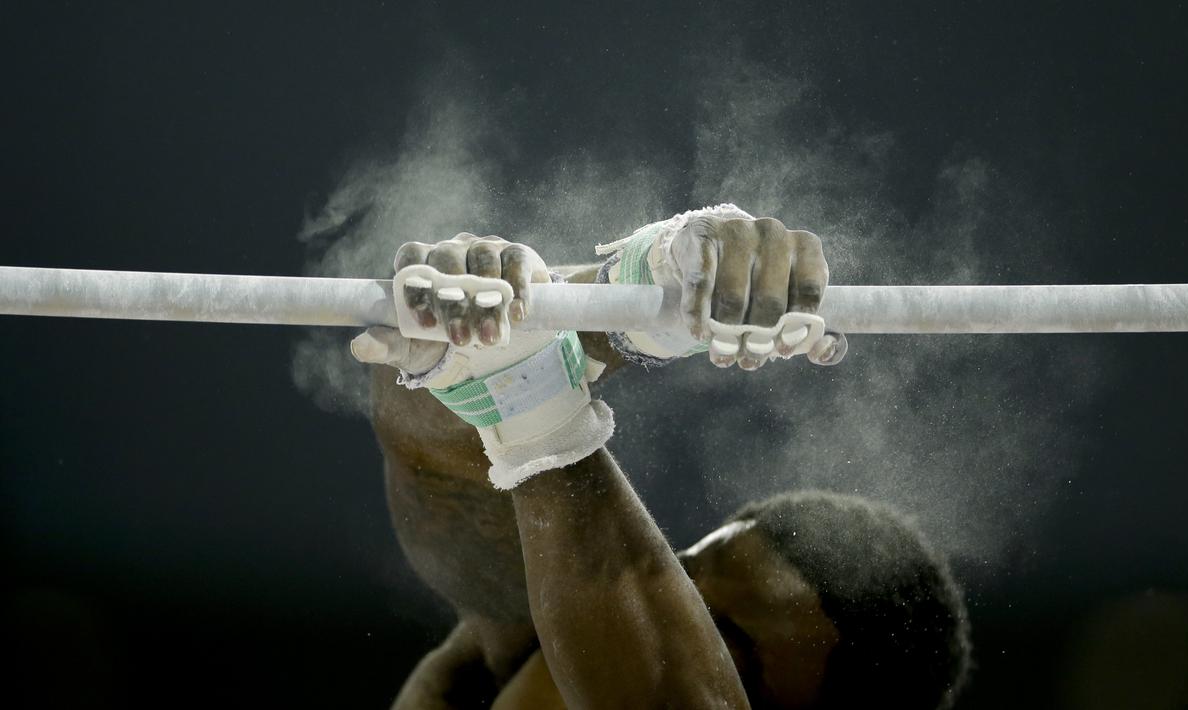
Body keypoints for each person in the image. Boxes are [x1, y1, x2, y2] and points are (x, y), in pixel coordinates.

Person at [350, 206, 971, 708]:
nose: (670, 608)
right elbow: (429, 442)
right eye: (683, 576)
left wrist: (536, 400)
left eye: (725, 650)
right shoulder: (529, 642)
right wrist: (622, 304)